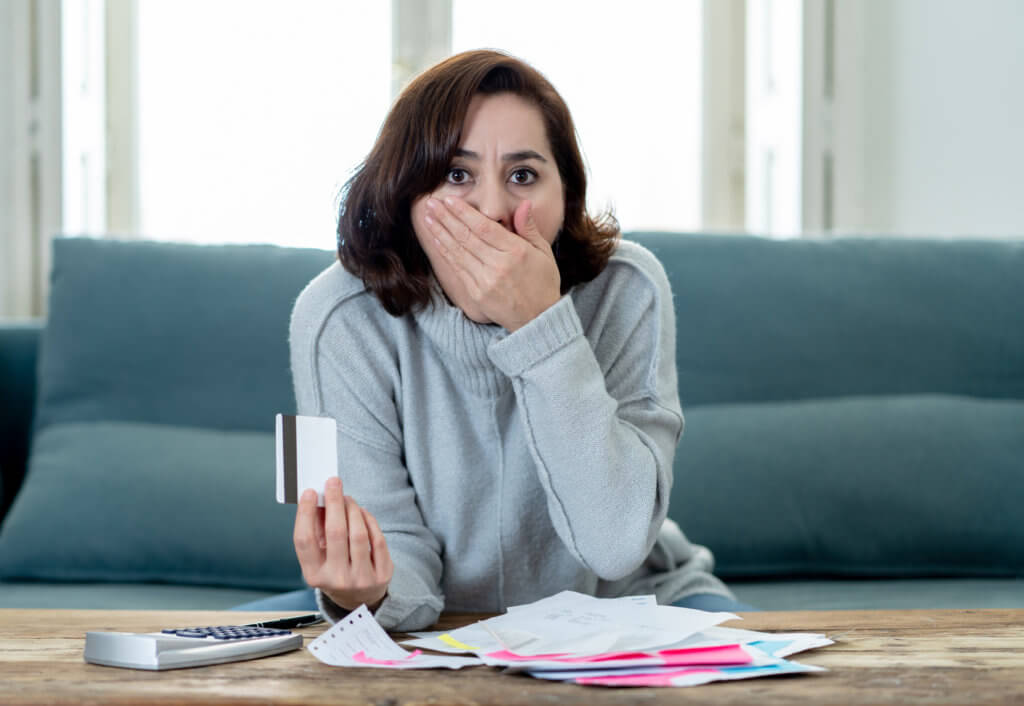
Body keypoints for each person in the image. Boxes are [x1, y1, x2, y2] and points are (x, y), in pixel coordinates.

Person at [236, 50, 750, 628]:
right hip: (428, 618)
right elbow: (388, 546)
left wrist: (540, 324)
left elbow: (615, 545)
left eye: (523, 175)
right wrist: (368, 592)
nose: (492, 209)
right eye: (457, 175)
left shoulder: (628, 288)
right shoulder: (335, 316)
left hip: (629, 605)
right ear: (406, 193)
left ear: (566, 196)